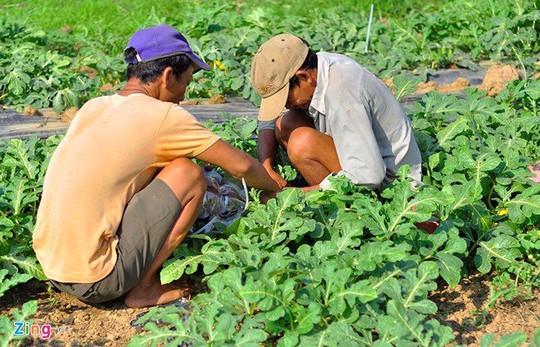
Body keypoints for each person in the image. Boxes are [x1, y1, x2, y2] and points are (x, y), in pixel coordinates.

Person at [32, 24, 281, 308]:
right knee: (187, 173)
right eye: (185, 84)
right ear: (166, 76)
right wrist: (276, 187)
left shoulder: (94, 106)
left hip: (52, 266)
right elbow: (241, 166)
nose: (184, 96)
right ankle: (144, 287)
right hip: (97, 278)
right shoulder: (165, 116)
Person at [250, 34, 422, 191]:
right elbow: (269, 122)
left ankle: (345, 210)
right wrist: (266, 167)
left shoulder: (342, 91)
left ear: (303, 77)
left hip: (391, 182)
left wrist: (296, 194)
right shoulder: (319, 65)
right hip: (367, 159)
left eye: (285, 97)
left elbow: (369, 176)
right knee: (286, 123)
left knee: (301, 144)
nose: (286, 104)